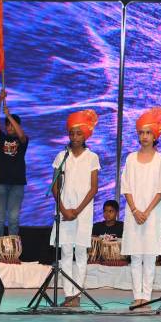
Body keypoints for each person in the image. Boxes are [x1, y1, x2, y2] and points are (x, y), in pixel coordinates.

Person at [49, 109, 100, 307]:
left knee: (80, 253)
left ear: (85, 135)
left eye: (79, 133)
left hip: (82, 212)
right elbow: (55, 185)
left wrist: (77, 211)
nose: (75, 137)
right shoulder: (62, 156)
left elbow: (93, 188)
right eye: (72, 133)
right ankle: (67, 293)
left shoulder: (92, 157)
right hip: (64, 211)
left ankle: (76, 294)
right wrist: (63, 209)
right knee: (65, 253)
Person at [121, 107, 161, 310]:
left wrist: (146, 211)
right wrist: (135, 210)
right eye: (141, 132)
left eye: (148, 132)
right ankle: (137, 296)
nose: (145, 136)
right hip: (133, 213)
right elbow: (126, 186)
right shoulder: (131, 158)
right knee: (135, 256)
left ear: (155, 135)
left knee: (149, 256)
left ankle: (146, 296)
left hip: (152, 214)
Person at [0, 89, 28, 237]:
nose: (10, 127)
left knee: (13, 219)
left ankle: (12, 248)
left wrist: (9, 116)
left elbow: (21, 134)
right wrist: (0, 100)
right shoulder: (0, 138)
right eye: (8, 125)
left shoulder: (23, 140)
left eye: (13, 125)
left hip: (17, 183)